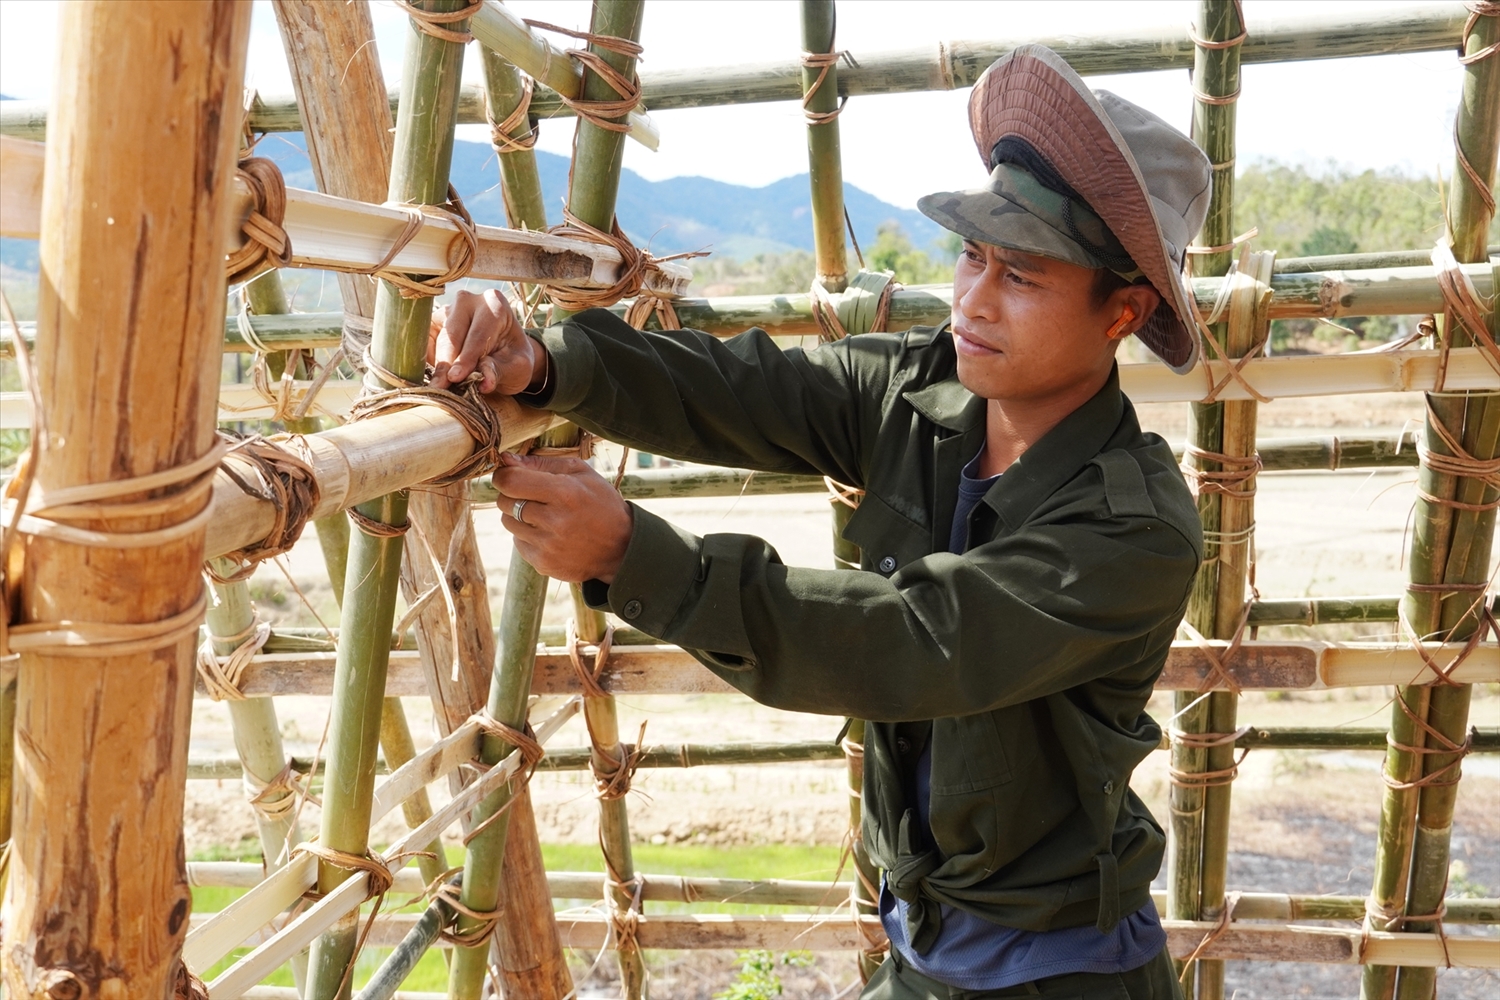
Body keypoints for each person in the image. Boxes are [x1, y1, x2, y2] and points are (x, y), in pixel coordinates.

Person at [431, 45, 1208, 1000]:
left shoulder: (1132, 525)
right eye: (973, 254)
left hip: (1059, 975)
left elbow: (908, 641)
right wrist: (546, 366)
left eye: (1023, 276)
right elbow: (747, 388)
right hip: (924, 949)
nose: (971, 298)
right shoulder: (919, 391)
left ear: (1121, 311)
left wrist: (638, 557)